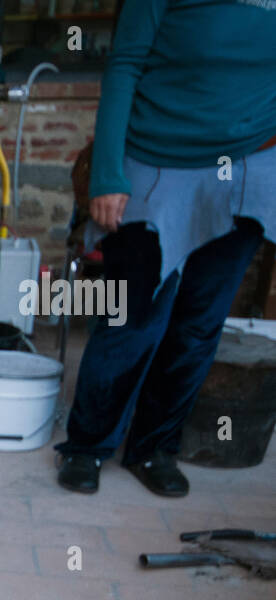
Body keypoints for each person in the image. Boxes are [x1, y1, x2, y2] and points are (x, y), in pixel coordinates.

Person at [55, 0, 276, 496]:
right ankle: (87, 445)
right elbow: (125, 64)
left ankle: (154, 448)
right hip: (157, 164)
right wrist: (108, 172)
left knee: (199, 324)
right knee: (131, 319)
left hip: (250, 168)